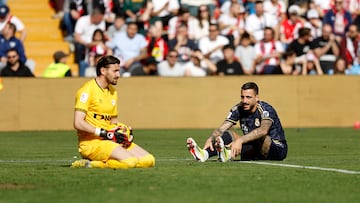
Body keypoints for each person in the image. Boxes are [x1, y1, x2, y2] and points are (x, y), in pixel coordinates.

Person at [70, 55, 155, 169]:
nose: (118, 75)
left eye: (118, 71)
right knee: (130, 162)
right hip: (91, 144)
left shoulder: (113, 92)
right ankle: (93, 164)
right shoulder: (86, 91)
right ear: (103, 71)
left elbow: (113, 123)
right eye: (115, 71)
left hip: (108, 140)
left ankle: (101, 161)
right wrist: (104, 133)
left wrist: (123, 132)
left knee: (149, 161)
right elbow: (78, 123)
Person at [186, 82, 287, 162]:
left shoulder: (266, 109)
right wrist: (211, 138)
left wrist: (240, 141)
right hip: (253, 148)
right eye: (242, 97)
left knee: (261, 137)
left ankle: (228, 154)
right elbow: (223, 127)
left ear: (257, 97)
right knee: (228, 134)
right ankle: (204, 155)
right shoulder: (239, 108)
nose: (244, 101)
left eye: (248, 97)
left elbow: (263, 131)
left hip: (277, 149)